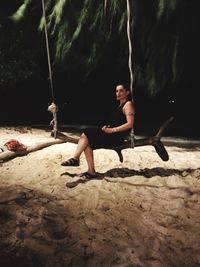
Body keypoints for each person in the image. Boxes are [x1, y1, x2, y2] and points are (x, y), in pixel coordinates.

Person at [61, 84, 135, 178]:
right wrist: (107, 127)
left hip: (116, 137)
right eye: (116, 91)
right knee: (87, 142)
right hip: (111, 134)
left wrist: (112, 130)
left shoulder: (128, 104)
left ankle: (75, 158)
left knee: (86, 133)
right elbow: (118, 121)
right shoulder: (120, 106)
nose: (118, 93)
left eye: (121, 91)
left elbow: (130, 124)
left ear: (127, 92)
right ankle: (91, 171)